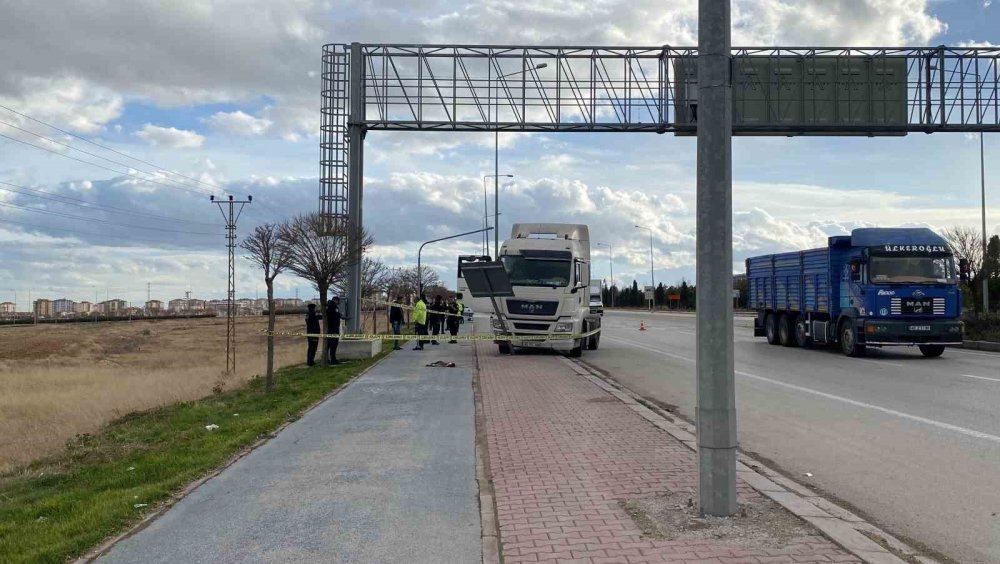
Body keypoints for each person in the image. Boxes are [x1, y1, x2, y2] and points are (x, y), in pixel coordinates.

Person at [326, 296, 342, 364]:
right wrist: (340, 315)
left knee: (328, 344)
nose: (338, 303)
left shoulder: (327, 306)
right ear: (336, 300)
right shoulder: (334, 306)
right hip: (334, 328)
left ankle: (327, 359)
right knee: (334, 344)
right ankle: (333, 360)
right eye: (338, 301)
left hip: (329, 328)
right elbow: (335, 315)